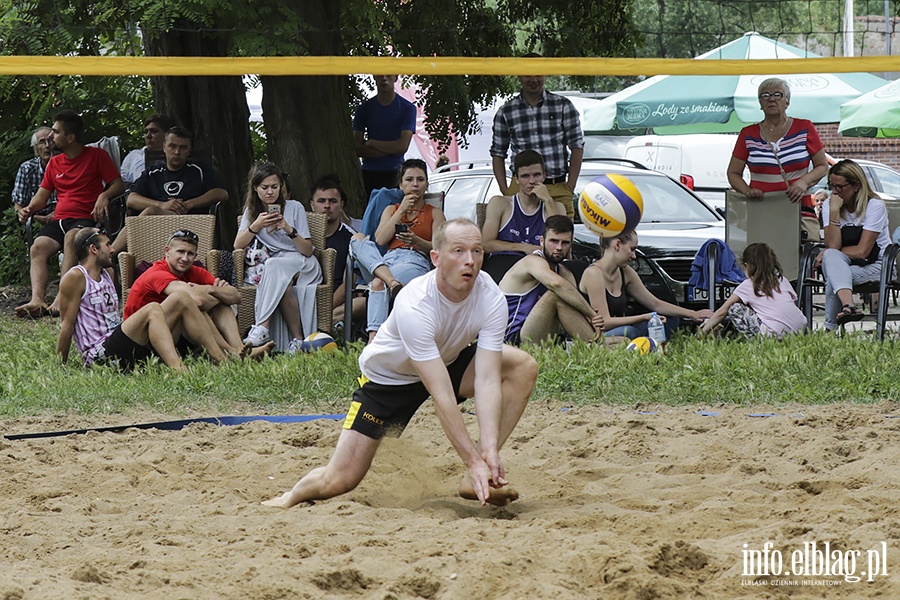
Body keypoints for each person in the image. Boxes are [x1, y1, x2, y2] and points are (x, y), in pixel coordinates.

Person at [262, 218, 538, 509]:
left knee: (522, 367)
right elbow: (441, 395)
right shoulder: (415, 303)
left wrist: (488, 451)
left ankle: (476, 477)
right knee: (339, 480)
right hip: (388, 381)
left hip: (447, 362)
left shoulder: (491, 296)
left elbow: (486, 379)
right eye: (458, 251)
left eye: (477, 251)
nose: (469, 261)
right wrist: (470, 458)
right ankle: (289, 497)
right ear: (436, 258)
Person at [57, 227, 229, 370]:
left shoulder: (108, 272)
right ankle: (180, 370)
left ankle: (222, 359)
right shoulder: (76, 277)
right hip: (98, 354)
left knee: (180, 298)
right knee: (153, 308)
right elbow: (67, 324)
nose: (113, 249)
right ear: (94, 249)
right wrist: (60, 366)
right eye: (107, 244)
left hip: (119, 341)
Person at [16, 110, 125, 319]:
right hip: (59, 219)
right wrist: (29, 208)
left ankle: (61, 298)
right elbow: (41, 195)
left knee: (71, 239)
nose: (50, 137)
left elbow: (118, 184)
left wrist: (104, 195)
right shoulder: (54, 163)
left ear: (70, 137)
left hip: (85, 218)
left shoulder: (96, 156)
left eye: (56, 132)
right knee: (38, 247)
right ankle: (37, 300)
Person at [123, 229, 267, 359]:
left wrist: (211, 290)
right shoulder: (157, 273)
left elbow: (237, 297)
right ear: (167, 251)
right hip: (141, 338)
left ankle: (238, 349)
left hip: (169, 333)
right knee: (192, 304)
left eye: (190, 254)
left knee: (220, 303)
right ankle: (226, 353)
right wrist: (218, 295)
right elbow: (198, 300)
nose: (185, 258)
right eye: (180, 252)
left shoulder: (193, 271)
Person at [727, 77, 829, 242]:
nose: (771, 99)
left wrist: (803, 182)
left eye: (777, 95)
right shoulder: (748, 134)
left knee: (796, 258)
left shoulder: (804, 127)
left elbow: (822, 166)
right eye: (765, 95)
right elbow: (733, 173)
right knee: (762, 257)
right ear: (760, 103)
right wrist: (747, 191)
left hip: (797, 208)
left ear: (787, 101)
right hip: (761, 208)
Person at [235, 163, 322, 354]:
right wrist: (255, 226)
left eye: (275, 187)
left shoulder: (294, 207)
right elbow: (237, 245)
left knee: (274, 265)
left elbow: (308, 250)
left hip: (302, 263)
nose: (270, 192)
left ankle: (262, 327)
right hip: (278, 270)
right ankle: (298, 340)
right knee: (281, 279)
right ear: (255, 188)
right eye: (264, 188)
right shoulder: (251, 212)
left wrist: (288, 229)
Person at [490, 54, 584, 219]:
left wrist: (570, 185)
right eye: (528, 74)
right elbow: (498, 153)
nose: (534, 79)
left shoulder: (563, 105)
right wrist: (505, 190)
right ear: (518, 75)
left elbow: (577, 146)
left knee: (560, 240)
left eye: (538, 73)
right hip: (520, 188)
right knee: (515, 239)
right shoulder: (506, 112)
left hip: (557, 185)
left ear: (545, 74)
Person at [579, 229, 713, 341]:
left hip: (622, 329)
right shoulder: (594, 274)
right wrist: (644, 317)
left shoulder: (625, 272)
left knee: (670, 320)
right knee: (629, 331)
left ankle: (647, 344)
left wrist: (693, 314)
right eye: (632, 249)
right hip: (598, 334)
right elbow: (605, 323)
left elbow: (655, 304)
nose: (634, 256)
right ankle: (644, 343)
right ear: (618, 245)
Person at [367, 158, 445, 340]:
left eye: (420, 179)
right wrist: (401, 210)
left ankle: (373, 340)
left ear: (426, 185)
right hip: (384, 260)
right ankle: (391, 282)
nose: (415, 185)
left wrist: (416, 241)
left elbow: (440, 249)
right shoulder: (391, 209)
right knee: (358, 240)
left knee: (378, 284)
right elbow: (380, 239)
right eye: (409, 180)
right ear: (401, 185)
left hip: (413, 259)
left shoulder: (434, 213)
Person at [118, 126, 228, 253]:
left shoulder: (199, 169)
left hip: (193, 222)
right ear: (164, 147)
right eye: (172, 146)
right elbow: (131, 199)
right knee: (150, 212)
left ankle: (111, 253)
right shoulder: (152, 173)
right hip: (154, 229)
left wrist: (189, 203)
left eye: (183, 148)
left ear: (189, 150)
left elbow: (222, 193)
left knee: (150, 212)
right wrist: (162, 205)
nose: (177, 152)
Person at [499, 215, 603, 344]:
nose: (559, 247)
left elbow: (573, 305)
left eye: (565, 243)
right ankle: (597, 346)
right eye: (554, 241)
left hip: (545, 336)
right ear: (542, 241)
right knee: (556, 296)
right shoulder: (531, 262)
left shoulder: (564, 273)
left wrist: (591, 318)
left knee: (625, 339)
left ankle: (595, 344)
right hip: (511, 340)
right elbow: (557, 284)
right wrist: (591, 314)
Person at [815, 159, 891, 330]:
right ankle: (849, 305)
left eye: (840, 187)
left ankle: (829, 330)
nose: (835, 192)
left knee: (834, 273)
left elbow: (863, 251)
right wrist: (834, 211)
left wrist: (828, 252)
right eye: (831, 186)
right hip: (848, 265)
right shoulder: (830, 204)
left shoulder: (874, 206)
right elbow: (833, 247)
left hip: (880, 265)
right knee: (834, 263)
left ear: (857, 185)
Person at [482, 150, 566, 282]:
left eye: (537, 175)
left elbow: (560, 241)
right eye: (525, 176)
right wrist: (524, 247)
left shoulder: (556, 207)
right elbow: (485, 244)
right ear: (517, 179)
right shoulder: (501, 203)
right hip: (504, 263)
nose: (532, 181)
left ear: (544, 176)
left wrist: (548, 201)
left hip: (541, 267)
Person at [700, 243, 807, 338]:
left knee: (735, 308)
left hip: (775, 333)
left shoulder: (748, 285)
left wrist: (701, 333)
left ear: (746, 265)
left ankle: (754, 341)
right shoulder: (782, 280)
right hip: (800, 329)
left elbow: (721, 312)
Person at [353, 74, 417, 200]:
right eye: (380, 75)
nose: (384, 78)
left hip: (395, 173)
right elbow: (357, 148)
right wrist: (391, 149)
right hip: (368, 174)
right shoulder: (363, 109)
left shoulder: (407, 108)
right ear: (374, 77)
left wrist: (372, 143)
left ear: (396, 77)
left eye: (389, 75)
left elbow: (402, 147)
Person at [11, 126, 57, 224]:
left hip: (63, 217)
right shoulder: (27, 169)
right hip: (35, 221)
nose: (47, 145)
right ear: (35, 149)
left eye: (50, 140)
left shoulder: (67, 165)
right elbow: (18, 207)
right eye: (42, 142)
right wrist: (37, 218)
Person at [118, 114, 177, 184]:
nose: (148, 136)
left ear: (167, 134)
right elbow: (123, 181)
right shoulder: (133, 156)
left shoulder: (176, 155)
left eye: (154, 131)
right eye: (146, 132)